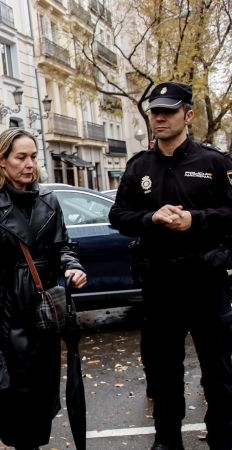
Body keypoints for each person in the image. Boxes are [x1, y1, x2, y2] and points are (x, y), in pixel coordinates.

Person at [109, 82, 232, 450]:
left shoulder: (214, 163)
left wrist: (195, 219)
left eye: (168, 111)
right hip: (161, 283)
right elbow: (119, 214)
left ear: (188, 115)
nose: (159, 118)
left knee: (218, 369)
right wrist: (151, 219)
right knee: (163, 370)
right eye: (155, 112)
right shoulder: (139, 166)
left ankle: (223, 436)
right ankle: (166, 440)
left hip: (206, 280)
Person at [0, 128, 87, 450]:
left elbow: (63, 246)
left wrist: (72, 266)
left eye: (33, 157)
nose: (30, 164)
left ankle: (34, 443)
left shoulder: (48, 199)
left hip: (45, 310)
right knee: (15, 392)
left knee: (43, 388)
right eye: (21, 157)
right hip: (8, 308)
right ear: (2, 161)